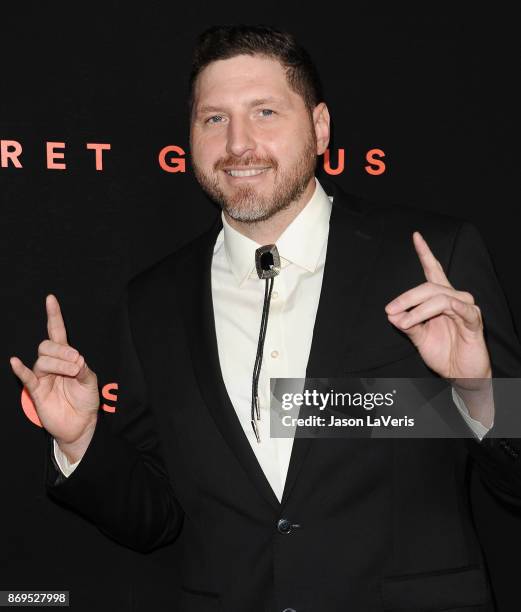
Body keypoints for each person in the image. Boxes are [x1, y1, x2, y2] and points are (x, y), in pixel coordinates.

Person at [9, 25, 521, 612]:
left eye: (266, 111)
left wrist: (478, 390)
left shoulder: (432, 257)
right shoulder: (152, 301)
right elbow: (154, 522)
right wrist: (81, 442)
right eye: (214, 119)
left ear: (320, 127)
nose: (239, 143)